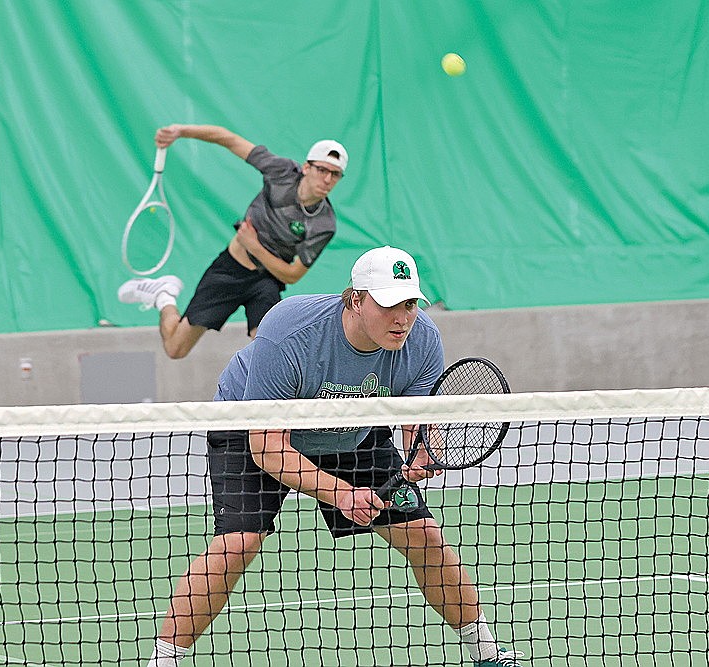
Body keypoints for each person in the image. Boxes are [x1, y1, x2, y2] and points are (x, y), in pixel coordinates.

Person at [145, 246, 525, 667]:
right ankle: (164, 660)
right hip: (253, 427)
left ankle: (487, 653)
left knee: (426, 536)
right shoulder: (291, 330)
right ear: (356, 299)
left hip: (353, 430)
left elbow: (416, 421)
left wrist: (423, 453)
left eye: (410, 303)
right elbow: (268, 448)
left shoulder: (423, 341)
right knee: (239, 543)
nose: (402, 318)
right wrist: (342, 495)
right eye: (388, 305)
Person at [118, 124, 348, 359]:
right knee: (176, 349)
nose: (327, 179)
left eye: (335, 174)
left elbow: (292, 275)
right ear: (307, 167)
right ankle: (163, 296)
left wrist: (254, 246)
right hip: (229, 269)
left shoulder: (324, 224)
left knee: (269, 347)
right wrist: (181, 131)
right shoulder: (281, 172)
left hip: (266, 281)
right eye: (322, 170)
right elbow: (228, 139)